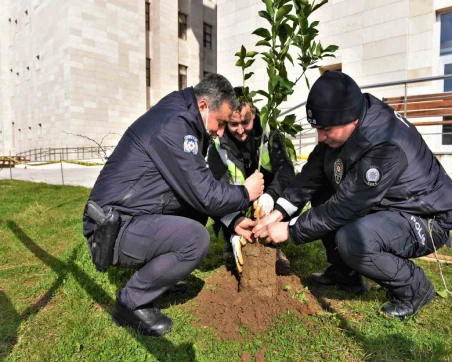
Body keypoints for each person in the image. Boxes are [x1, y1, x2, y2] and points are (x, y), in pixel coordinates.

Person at [254, 71, 452, 319]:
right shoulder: (349, 115)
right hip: (388, 202)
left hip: (425, 216)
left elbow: (346, 206)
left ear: (352, 120)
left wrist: (290, 230)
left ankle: (415, 288)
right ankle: (345, 274)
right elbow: (310, 175)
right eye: (317, 129)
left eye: (326, 129)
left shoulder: (385, 145)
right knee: (324, 188)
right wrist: (278, 212)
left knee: (355, 239)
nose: (320, 137)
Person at [83, 73, 264, 336]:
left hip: (127, 215)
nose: (222, 132)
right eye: (222, 123)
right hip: (111, 228)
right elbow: (205, 194)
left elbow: (197, 189)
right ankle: (130, 302)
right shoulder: (176, 125)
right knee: (195, 239)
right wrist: (245, 193)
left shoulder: (185, 115)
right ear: (203, 106)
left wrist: (233, 220)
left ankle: (162, 276)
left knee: (194, 213)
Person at [207, 87, 295, 274]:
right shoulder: (217, 146)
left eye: (245, 122)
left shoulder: (269, 135)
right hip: (235, 204)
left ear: (254, 113)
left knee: (283, 191)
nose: (240, 130)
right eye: (233, 124)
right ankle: (232, 240)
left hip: (266, 202)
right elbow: (214, 191)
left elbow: (286, 171)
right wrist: (233, 222)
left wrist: (270, 196)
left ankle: (271, 246)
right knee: (223, 201)